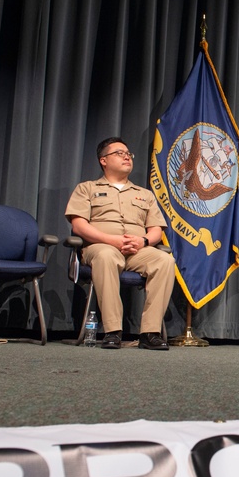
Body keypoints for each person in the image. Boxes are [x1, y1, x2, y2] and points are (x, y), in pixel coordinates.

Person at [65, 137, 175, 350]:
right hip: (100, 246)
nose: (127, 156)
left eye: (128, 153)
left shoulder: (145, 195)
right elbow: (78, 226)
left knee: (165, 260)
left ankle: (150, 333)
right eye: (119, 153)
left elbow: (156, 231)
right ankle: (112, 331)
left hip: (136, 250)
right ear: (103, 160)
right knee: (106, 256)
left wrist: (143, 241)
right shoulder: (87, 188)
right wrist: (111, 240)